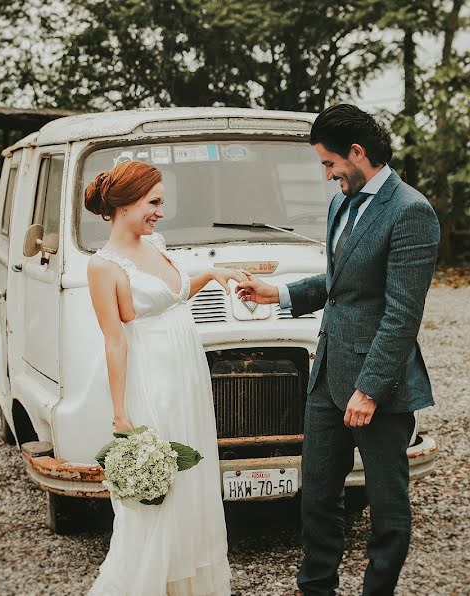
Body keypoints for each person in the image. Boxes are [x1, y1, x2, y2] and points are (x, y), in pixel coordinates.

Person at [235, 104, 440, 595]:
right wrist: (280, 293)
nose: (326, 176)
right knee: (317, 499)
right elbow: (342, 281)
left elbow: (401, 313)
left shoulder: (412, 211)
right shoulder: (341, 204)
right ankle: (317, 588)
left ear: (357, 152)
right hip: (327, 378)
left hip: (380, 390)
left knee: (388, 509)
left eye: (329, 165)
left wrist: (369, 390)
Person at [84, 160, 242, 596]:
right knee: (158, 493)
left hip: (186, 376)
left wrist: (211, 274)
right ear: (123, 203)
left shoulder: (156, 243)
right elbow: (114, 341)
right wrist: (120, 414)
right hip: (151, 381)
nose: (159, 212)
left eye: (161, 202)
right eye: (153, 202)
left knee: (192, 485)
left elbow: (173, 294)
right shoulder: (103, 267)